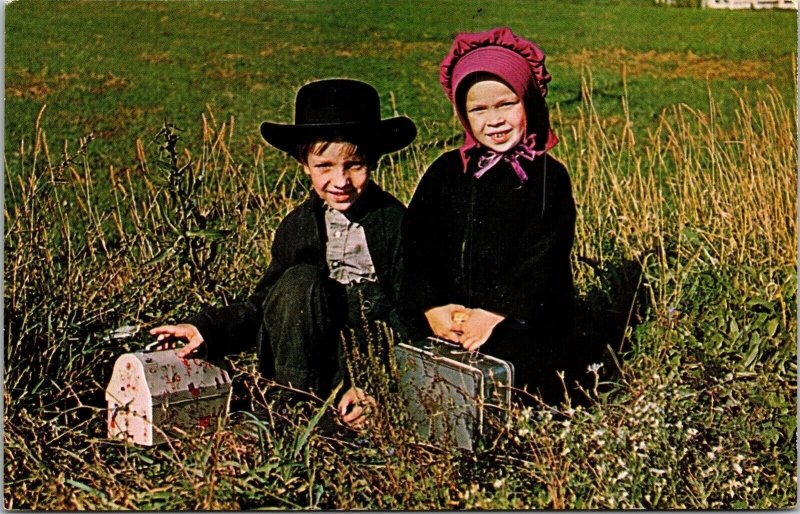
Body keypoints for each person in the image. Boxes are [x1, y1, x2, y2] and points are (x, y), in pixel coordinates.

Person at [151, 79, 417, 427]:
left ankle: (354, 410)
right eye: (324, 166)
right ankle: (290, 408)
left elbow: (412, 314)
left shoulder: (395, 223)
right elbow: (264, 303)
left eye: (354, 165)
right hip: (307, 360)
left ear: (374, 161)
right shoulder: (299, 227)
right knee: (298, 282)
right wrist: (207, 328)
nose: (340, 181)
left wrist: (372, 384)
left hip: (368, 361)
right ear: (304, 164)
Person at [400, 27, 576, 405]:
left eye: (506, 104)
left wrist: (495, 310)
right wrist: (433, 306)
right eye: (478, 109)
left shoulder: (548, 177)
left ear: (528, 101)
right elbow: (416, 243)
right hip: (451, 317)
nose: (493, 120)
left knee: (520, 373)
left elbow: (543, 257)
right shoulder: (446, 171)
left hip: (519, 317)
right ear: (463, 114)